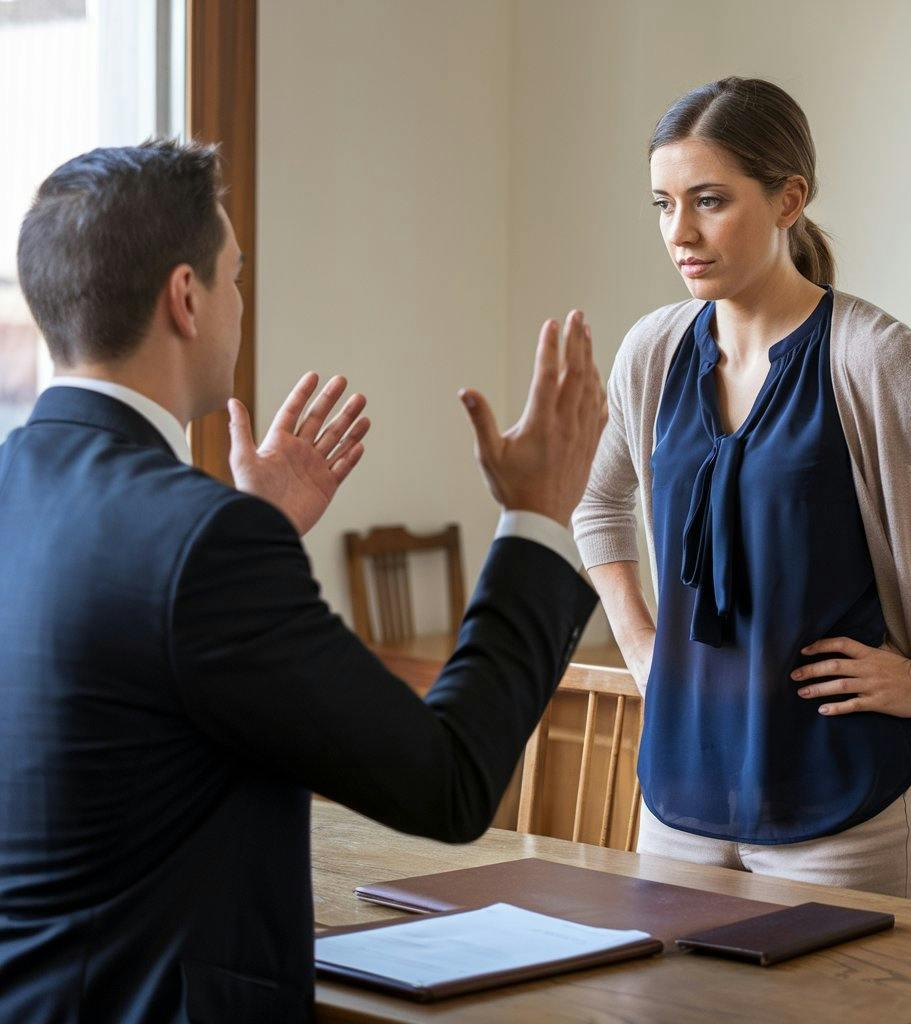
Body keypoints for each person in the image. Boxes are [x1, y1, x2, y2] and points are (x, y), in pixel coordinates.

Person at [0, 140, 606, 1023]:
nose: (242, 303)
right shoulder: (199, 543)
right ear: (185, 298)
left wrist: (257, 531)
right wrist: (537, 518)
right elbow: (449, 782)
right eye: (235, 276)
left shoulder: (69, 502)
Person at [573, 77, 911, 900]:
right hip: (675, 804)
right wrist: (641, 645)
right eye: (662, 204)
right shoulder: (653, 351)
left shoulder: (874, 357)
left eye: (708, 201)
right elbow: (598, 506)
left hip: (840, 814)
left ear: (790, 200)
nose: (680, 233)